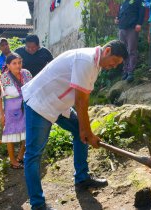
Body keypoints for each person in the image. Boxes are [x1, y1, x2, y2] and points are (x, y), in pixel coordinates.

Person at [22, 40, 128, 210]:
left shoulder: (95, 63)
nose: (113, 66)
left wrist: (85, 131)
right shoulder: (86, 60)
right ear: (107, 51)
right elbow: (81, 101)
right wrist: (89, 133)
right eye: (114, 62)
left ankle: (82, 178)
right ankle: (38, 204)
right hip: (40, 103)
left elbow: (81, 98)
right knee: (33, 155)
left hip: (59, 104)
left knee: (81, 134)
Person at [0, 53, 32, 169]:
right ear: (8, 65)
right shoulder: (4, 77)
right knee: (11, 135)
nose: (18, 66)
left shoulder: (27, 73)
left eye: (19, 62)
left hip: (26, 106)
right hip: (11, 109)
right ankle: (13, 161)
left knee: (27, 133)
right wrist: (1, 114)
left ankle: (20, 156)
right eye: (14, 63)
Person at [116, 0, 145, 82]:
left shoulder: (138, 0)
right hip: (122, 29)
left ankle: (130, 72)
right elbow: (119, 15)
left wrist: (139, 24)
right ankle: (125, 71)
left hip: (132, 29)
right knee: (123, 51)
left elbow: (142, 12)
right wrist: (117, 19)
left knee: (132, 50)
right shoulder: (123, 3)